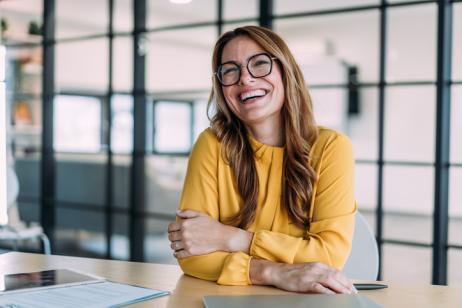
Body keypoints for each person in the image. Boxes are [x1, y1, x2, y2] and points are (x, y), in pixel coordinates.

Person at [167, 25, 357, 295]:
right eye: (230, 70)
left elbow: (329, 256)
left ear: (285, 72)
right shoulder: (212, 144)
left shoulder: (331, 147)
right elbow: (192, 254)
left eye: (259, 64)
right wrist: (274, 272)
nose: (245, 79)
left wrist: (231, 238)